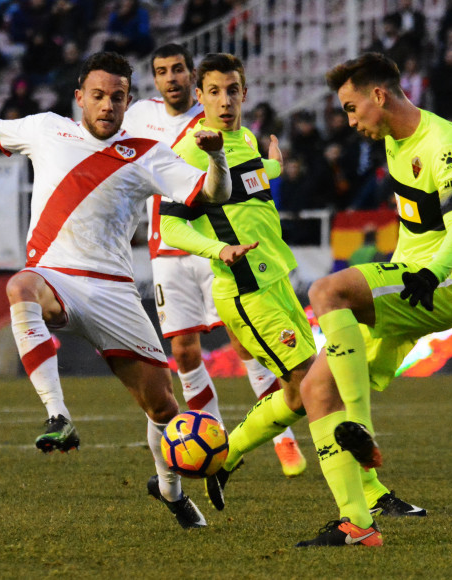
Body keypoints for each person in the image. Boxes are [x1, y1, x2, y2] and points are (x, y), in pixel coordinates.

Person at [0, 52, 233, 529]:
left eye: (118, 98)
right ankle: (57, 415)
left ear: (129, 101)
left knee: (164, 407)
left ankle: (169, 490)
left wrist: (216, 156)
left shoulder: (147, 152)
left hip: (114, 293)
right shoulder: (45, 129)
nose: (108, 106)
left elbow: (214, 194)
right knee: (20, 284)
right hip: (55, 276)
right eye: (99, 96)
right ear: (80, 97)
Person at [159, 53, 425, 534]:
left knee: (299, 394)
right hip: (246, 290)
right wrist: (219, 249)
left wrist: (273, 167)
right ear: (198, 96)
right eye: (214, 91)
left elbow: (248, 182)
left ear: (245, 92)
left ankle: (225, 459)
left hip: (276, 281)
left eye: (232, 90)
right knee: (315, 386)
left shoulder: (241, 141)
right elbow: (171, 224)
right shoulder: (192, 150)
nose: (224, 100)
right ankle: (367, 496)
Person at [295, 52, 452, 547]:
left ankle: (360, 426)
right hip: (408, 278)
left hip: (442, 282)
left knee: (326, 289)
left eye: (351, 107)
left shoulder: (445, 143)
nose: (350, 119)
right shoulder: (394, 141)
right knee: (316, 391)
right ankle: (358, 524)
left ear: (378, 95)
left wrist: (433, 272)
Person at [121, 43, 307, 477]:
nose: (171, 78)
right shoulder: (142, 120)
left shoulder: (229, 131)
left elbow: (245, 177)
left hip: (224, 252)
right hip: (177, 251)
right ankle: (216, 441)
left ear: (191, 79)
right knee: (185, 352)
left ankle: (278, 439)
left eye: (178, 70)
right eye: (162, 71)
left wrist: (272, 167)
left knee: (247, 345)